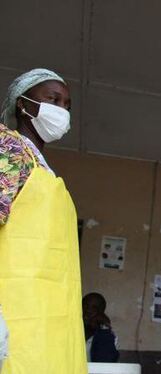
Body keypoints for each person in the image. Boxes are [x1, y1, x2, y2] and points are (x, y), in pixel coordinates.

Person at [0, 68, 87, 373]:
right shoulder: (8, 148)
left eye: (67, 105)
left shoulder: (44, 168)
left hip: (51, 319)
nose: (61, 110)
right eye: (53, 99)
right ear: (23, 105)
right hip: (16, 316)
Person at [83, 293, 120, 363]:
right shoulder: (69, 330)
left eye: (94, 308)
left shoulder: (106, 335)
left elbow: (105, 362)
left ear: (101, 314)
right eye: (85, 306)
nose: (88, 310)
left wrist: (104, 329)